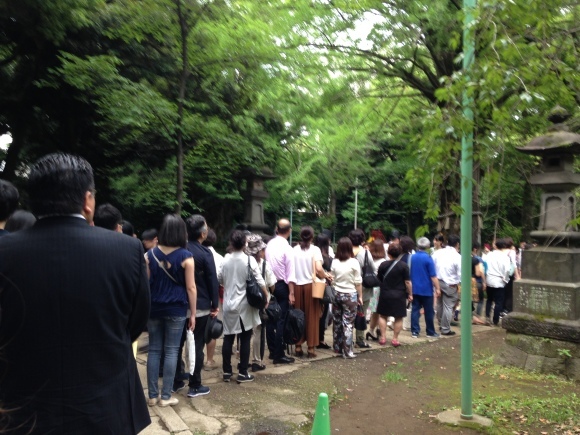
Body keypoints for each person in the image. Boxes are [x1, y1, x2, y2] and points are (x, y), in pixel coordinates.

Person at [0, 153, 151, 433]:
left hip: (24, 412)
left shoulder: (5, 253)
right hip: (105, 407)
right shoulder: (125, 251)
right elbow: (135, 322)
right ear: (87, 200)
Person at [145, 214, 197, 407]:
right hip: (176, 309)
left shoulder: (149, 255)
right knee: (171, 351)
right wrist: (193, 313)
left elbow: (146, 284)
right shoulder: (186, 257)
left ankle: (152, 396)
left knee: (154, 350)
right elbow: (191, 288)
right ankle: (166, 396)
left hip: (154, 308)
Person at [219, 230, 268, 383]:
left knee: (228, 337)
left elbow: (219, 279)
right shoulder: (249, 261)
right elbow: (260, 282)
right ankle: (242, 372)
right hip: (244, 305)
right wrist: (265, 297)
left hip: (228, 304)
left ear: (231, 243)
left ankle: (227, 372)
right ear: (245, 244)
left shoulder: (225, 260)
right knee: (245, 337)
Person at [183, 214, 219, 398]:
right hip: (201, 305)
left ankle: (175, 380)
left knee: (177, 344)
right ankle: (195, 384)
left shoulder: (180, 249)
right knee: (197, 345)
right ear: (203, 233)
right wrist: (215, 304)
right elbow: (212, 280)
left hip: (180, 305)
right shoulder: (205, 253)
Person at [293, 226, 330, 358]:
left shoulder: (295, 250)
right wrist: (326, 276)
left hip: (296, 286)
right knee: (312, 316)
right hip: (311, 286)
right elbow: (319, 269)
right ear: (312, 237)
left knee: (298, 317)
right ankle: (311, 349)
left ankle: (298, 346)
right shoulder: (315, 250)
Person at [265, 218, 296, 364]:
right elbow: (290, 274)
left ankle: (272, 350)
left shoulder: (269, 244)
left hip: (269, 284)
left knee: (270, 317)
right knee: (281, 320)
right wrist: (291, 292)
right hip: (282, 285)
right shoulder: (288, 248)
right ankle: (279, 354)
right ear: (289, 231)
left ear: (277, 229)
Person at [244, 233, 276, 371]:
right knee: (258, 331)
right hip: (260, 301)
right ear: (260, 251)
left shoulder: (243, 262)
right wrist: (269, 294)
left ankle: (242, 359)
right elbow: (271, 284)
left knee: (244, 332)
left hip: (245, 300)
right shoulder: (264, 265)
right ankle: (257, 360)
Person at [331, 237, 363, 359]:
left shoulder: (335, 261)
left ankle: (337, 347)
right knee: (348, 323)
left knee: (337, 321)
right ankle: (347, 351)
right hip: (350, 295)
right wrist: (360, 296)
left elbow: (332, 279)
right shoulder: (354, 262)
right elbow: (358, 282)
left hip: (337, 295)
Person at [376, 243, 412, 347]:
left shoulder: (383, 265)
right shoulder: (404, 266)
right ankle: (395, 339)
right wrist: (410, 294)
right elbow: (407, 282)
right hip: (399, 294)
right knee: (399, 317)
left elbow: (379, 279)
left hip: (385, 293)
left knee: (383, 315)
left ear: (388, 253)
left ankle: (383, 337)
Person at [201, 228, 224, 370]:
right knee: (212, 328)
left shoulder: (193, 254)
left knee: (194, 329)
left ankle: (193, 361)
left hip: (197, 296)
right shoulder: (220, 258)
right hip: (213, 296)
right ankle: (209, 361)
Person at [410, 237, 440, 338]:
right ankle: (430, 331)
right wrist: (438, 288)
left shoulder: (412, 257)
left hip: (414, 288)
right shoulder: (428, 258)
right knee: (429, 311)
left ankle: (415, 331)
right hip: (426, 289)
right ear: (427, 246)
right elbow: (433, 276)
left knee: (415, 310)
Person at [432, 234, 461, 336]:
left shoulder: (437, 253)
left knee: (440, 304)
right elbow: (460, 274)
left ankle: (441, 324)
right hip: (450, 284)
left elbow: (432, 267)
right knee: (448, 306)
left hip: (438, 281)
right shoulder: (458, 257)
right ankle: (445, 328)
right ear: (457, 244)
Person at [349, 228, 373, 349]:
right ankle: (359, 339)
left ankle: (346, 339)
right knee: (361, 313)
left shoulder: (345, 251)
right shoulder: (365, 253)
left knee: (347, 314)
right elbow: (372, 268)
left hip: (347, 286)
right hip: (362, 286)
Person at [485, 238, 512, 326]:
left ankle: (487, 317)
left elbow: (485, 266)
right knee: (498, 302)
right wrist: (506, 279)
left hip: (489, 279)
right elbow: (507, 270)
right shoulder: (505, 257)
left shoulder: (489, 255)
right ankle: (495, 320)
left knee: (489, 299)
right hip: (499, 280)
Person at [314, 232, 333, 349]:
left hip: (311, 286)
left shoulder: (311, 254)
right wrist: (327, 276)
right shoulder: (327, 258)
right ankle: (320, 339)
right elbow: (327, 273)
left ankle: (312, 337)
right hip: (323, 288)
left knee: (314, 313)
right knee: (323, 313)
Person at [366, 239, 387, 341]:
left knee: (375, 311)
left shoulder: (369, 260)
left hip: (370, 287)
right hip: (380, 288)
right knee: (381, 311)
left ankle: (371, 330)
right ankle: (380, 331)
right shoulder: (383, 262)